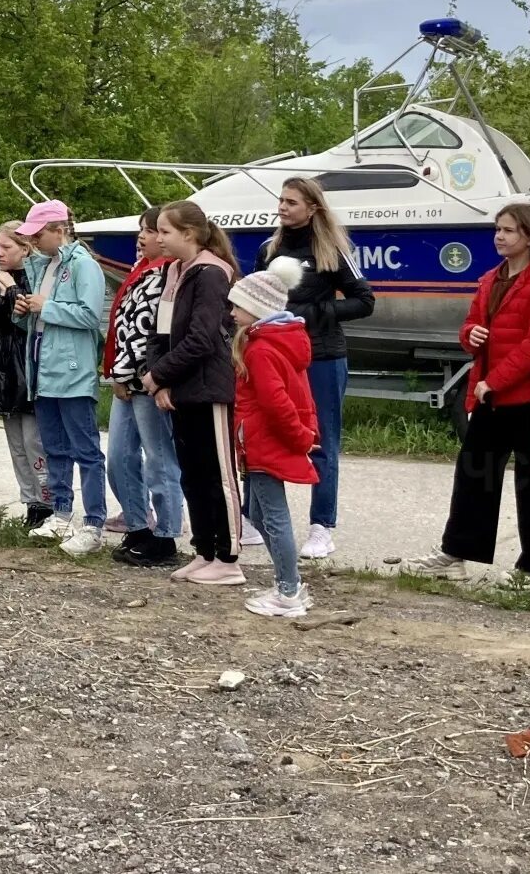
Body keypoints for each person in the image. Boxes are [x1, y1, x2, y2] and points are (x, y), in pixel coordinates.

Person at [408, 204, 530, 584]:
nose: (499, 236)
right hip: (489, 396)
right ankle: (457, 554)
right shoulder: (490, 279)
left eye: (509, 230)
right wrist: (470, 336)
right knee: (474, 475)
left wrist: (495, 381)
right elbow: (470, 326)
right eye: (498, 229)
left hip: (527, 398)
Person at [257, 176, 374, 560]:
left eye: (291, 202)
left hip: (322, 356)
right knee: (264, 434)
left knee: (321, 442)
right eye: (281, 200)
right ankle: (254, 518)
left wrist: (311, 314)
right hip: (275, 357)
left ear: (312, 208)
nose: (283, 207)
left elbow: (364, 301)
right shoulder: (267, 249)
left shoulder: (332, 251)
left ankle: (322, 526)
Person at [140, 200, 242, 584]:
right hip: (180, 387)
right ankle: (204, 550)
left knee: (218, 474)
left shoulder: (212, 273)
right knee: (193, 474)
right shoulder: (175, 271)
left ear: (190, 234)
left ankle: (229, 557)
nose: (158, 238)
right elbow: (160, 332)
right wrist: (160, 379)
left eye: (165, 231)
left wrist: (160, 375)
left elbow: (201, 339)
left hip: (209, 387)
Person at [15, 200, 109, 555]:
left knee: (85, 450)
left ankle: (94, 523)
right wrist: (25, 311)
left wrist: (45, 307)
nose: (35, 241)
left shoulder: (84, 265)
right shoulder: (45, 266)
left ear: (59, 229)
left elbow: (89, 316)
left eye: (39, 234)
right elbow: (40, 319)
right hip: (44, 368)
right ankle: (61, 514)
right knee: (54, 447)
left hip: (72, 371)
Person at [228, 255, 318, 617]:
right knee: (260, 515)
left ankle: (288, 591)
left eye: (238, 305)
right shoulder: (274, 341)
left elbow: (276, 401)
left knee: (273, 517)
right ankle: (288, 581)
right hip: (261, 441)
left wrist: (298, 437)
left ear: (257, 308)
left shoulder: (261, 349)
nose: (232, 312)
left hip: (264, 443)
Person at [103, 207, 184, 566]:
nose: (144, 237)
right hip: (125, 378)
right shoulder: (141, 270)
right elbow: (121, 324)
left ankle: (166, 536)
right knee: (119, 457)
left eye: (151, 231)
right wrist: (116, 372)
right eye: (144, 230)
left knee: (158, 460)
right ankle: (138, 525)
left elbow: (146, 330)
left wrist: (124, 372)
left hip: (146, 379)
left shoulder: (166, 275)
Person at [0, 221, 50, 525]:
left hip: (30, 366)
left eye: (6, 247)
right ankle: (31, 502)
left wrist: (10, 292)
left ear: (26, 248)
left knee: (35, 440)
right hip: (3, 367)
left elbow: (28, 317)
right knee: (16, 444)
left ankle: (48, 502)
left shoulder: (38, 278)